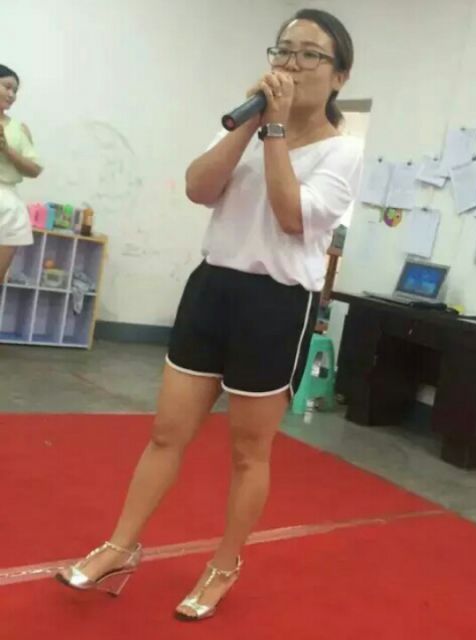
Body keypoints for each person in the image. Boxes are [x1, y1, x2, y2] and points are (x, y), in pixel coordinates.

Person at [55, 8, 363, 623]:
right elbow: (198, 187)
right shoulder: (250, 125)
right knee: (166, 432)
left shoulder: (343, 152)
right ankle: (120, 546)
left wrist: (274, 131)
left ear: (339, 77)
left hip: (275, 302)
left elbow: (290, 215)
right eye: (284, 50)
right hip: (212, 288)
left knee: (248, 452)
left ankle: (224, 565)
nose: (292, 63)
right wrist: (250, 126)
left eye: (310, 54)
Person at [0, 65, 43, 283]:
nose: (11, 94)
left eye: (15, 90)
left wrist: (6, 149)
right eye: (7, 86)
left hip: (8, 207)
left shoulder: (19, 129)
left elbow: (35, 170)